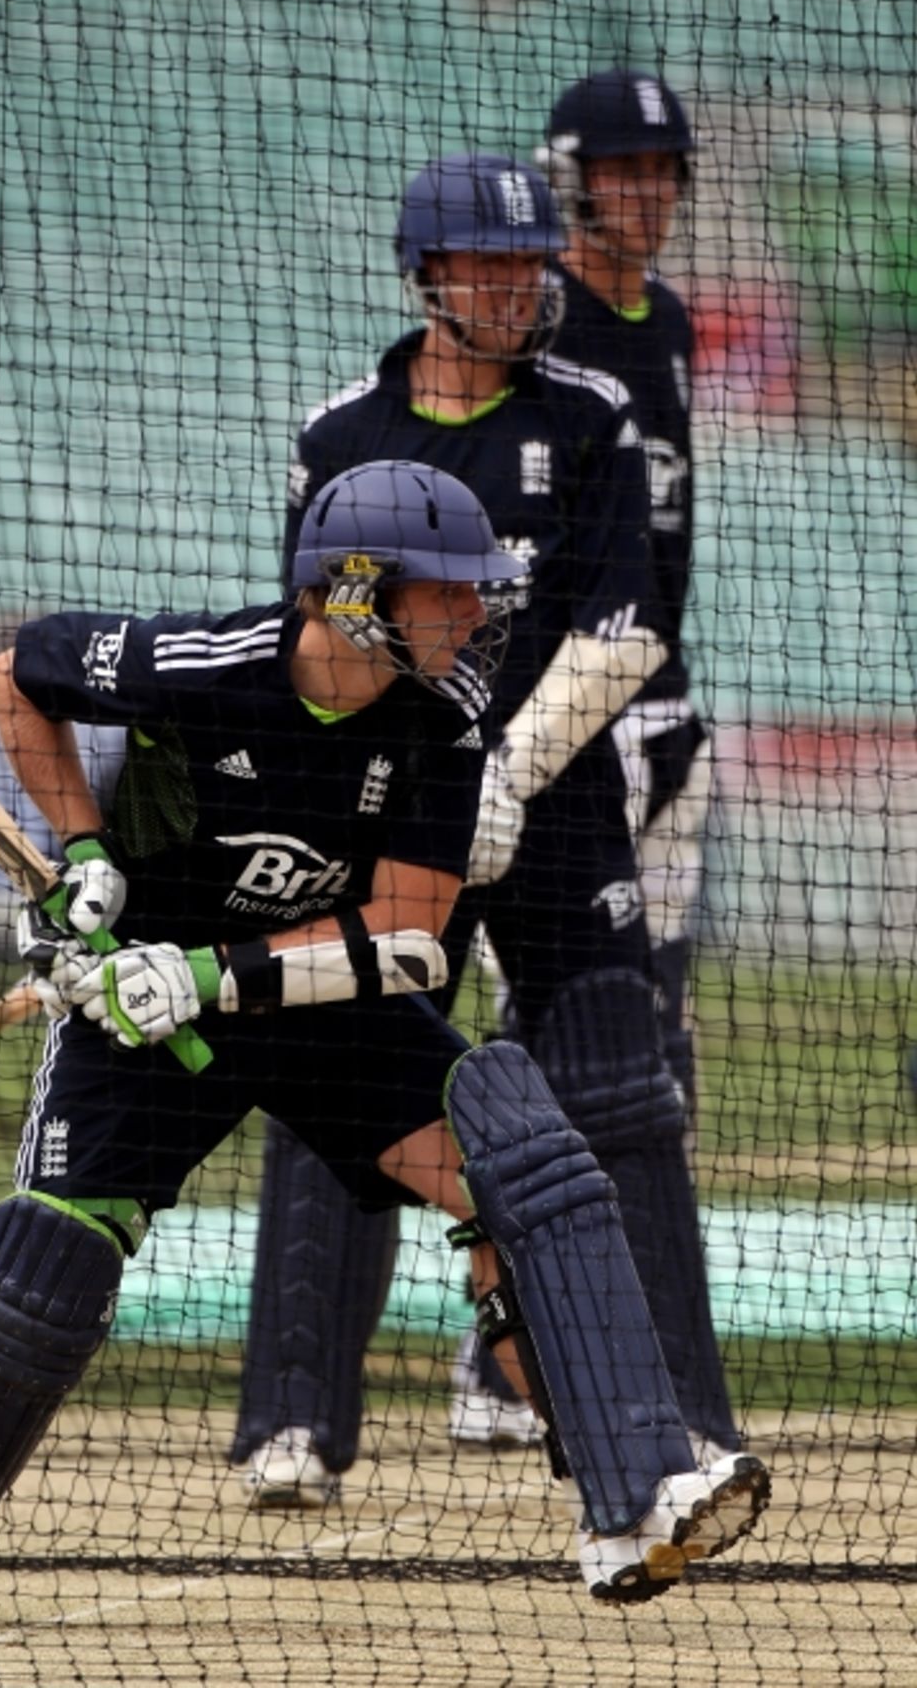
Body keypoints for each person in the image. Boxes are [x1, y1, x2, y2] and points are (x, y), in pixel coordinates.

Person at [0, 460, 769, 1627]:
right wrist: (81, 856)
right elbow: (19, 676)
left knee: (526, 1165)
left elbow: (409, 939)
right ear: (356, 593)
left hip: (321, 1008)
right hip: (138, 1023)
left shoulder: (441, 721)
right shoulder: (199, 668)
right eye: (448, 594)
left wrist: (209, 973)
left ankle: (638, 1499)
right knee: (50, 1263)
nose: (473, 616)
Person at [231, 149, 740, 1511]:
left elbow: (630, 627)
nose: (522, 286)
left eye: (531, 262)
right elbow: (319, 642)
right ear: (430, 276)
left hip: (557, 808)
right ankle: (291, 1425)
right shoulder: (343, 435)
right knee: (340, 1092)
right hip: (391, 810)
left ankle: (685, 1421)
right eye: (493, 265)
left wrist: (509, 775)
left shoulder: (591, 419)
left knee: (626, 1104)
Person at [447, 70, 717, 1445]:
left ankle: (628, 1360)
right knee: (531, 1047)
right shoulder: (536, 323)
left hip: (656, 710)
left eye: (666, 171)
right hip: (543, 736)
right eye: (625, 170)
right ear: (570, 177)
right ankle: (506, 1347)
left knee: (644, 1048)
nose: (650, 194)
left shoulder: (664, 320)